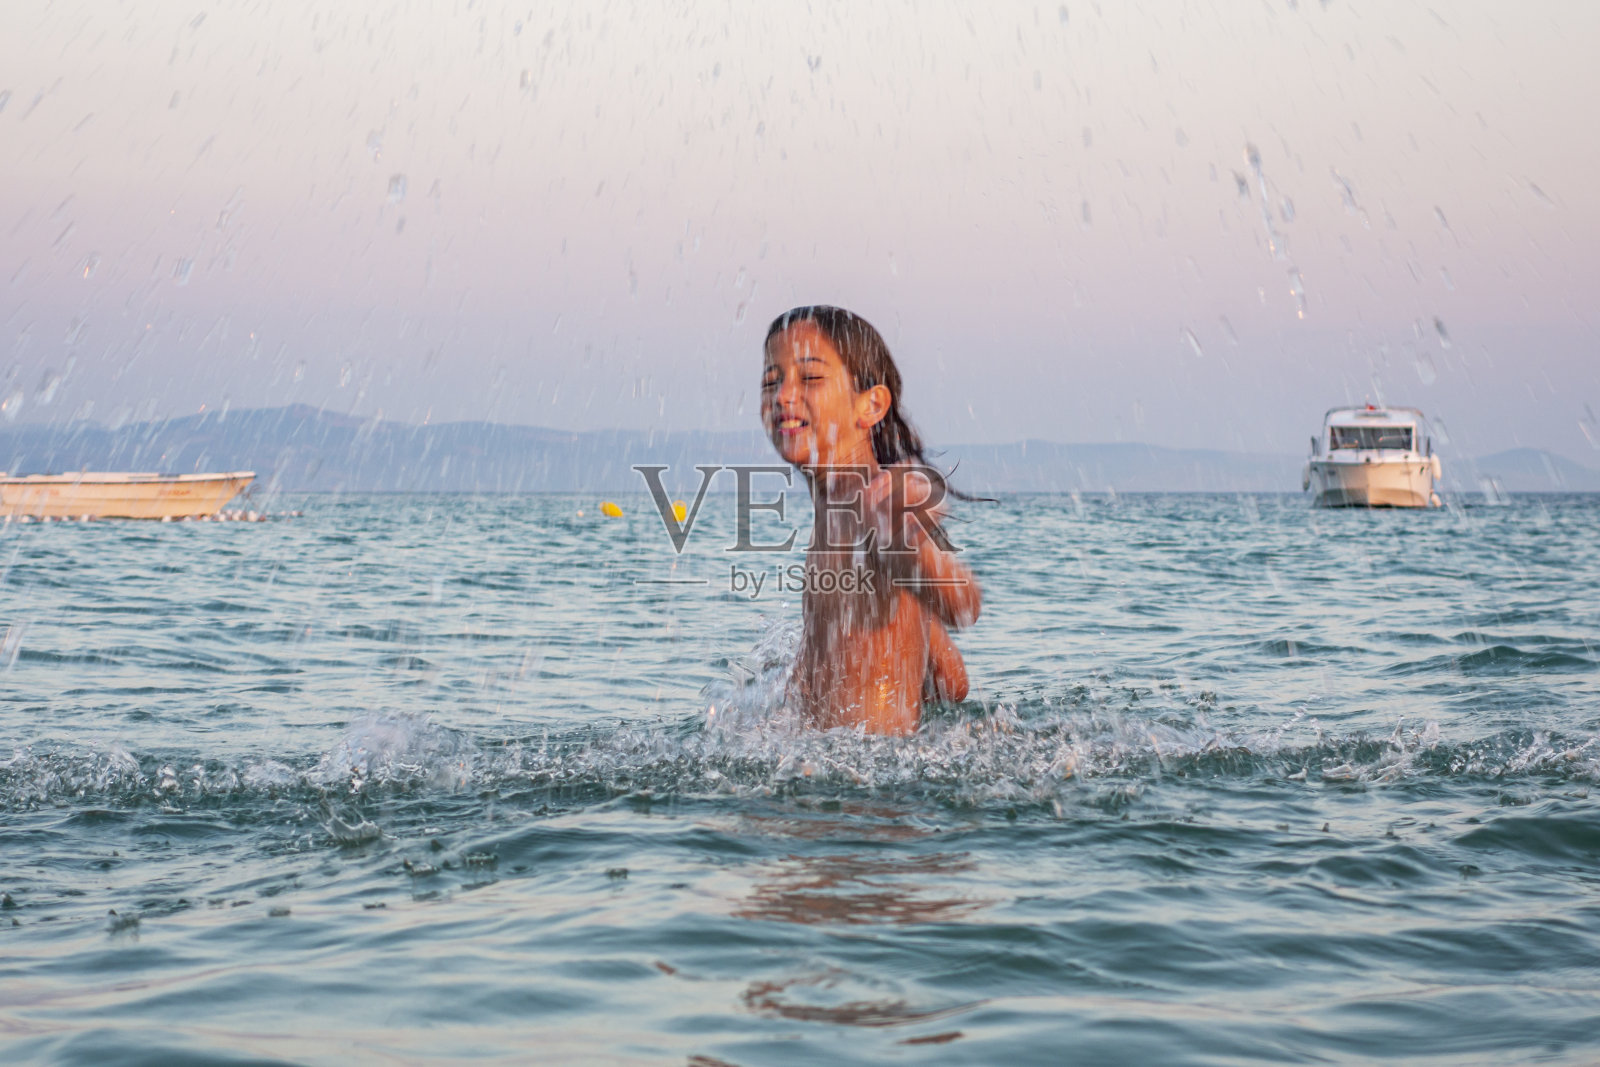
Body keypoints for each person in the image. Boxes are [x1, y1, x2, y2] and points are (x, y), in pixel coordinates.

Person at [760, 305, 981, 735]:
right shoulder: (840, 506)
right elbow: (952, 679)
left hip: (856, 776)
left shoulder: (871, 505)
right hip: (873, 767)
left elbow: (961, 603)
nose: (783, 396)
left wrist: (905, 534)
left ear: (871, 405)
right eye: (772, 380)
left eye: (810, 378)